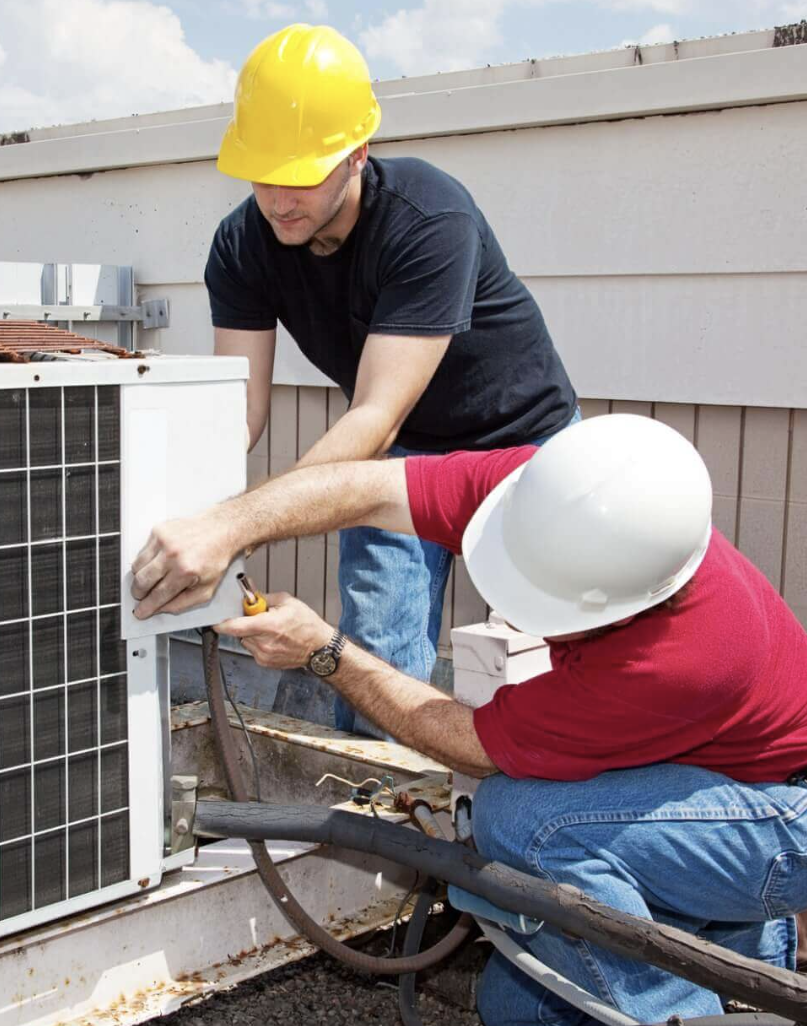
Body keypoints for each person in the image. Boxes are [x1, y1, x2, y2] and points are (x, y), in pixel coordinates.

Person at [130, 414, 807, 1026]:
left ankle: (693, 1008)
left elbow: (474, 745)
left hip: (788, 825)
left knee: (525, 821)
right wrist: (226, 527)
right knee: (518, 1007)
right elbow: (364, 486)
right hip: (709, 781)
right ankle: (732, 953)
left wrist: (325, 652)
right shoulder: (558, 490)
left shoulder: (678, 657)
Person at [207, 23, 578, 736]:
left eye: (304, 173)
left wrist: (236, 527)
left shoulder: (428, 217)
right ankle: (386, 824)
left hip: (524, 448)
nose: (280, 198)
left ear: (356, 155)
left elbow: (374, 412)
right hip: (402, 453)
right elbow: (240, 411)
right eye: (263, 173)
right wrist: (192, 511)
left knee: (559, 647)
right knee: (375, 651)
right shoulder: (242, 244)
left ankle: (542, 818)